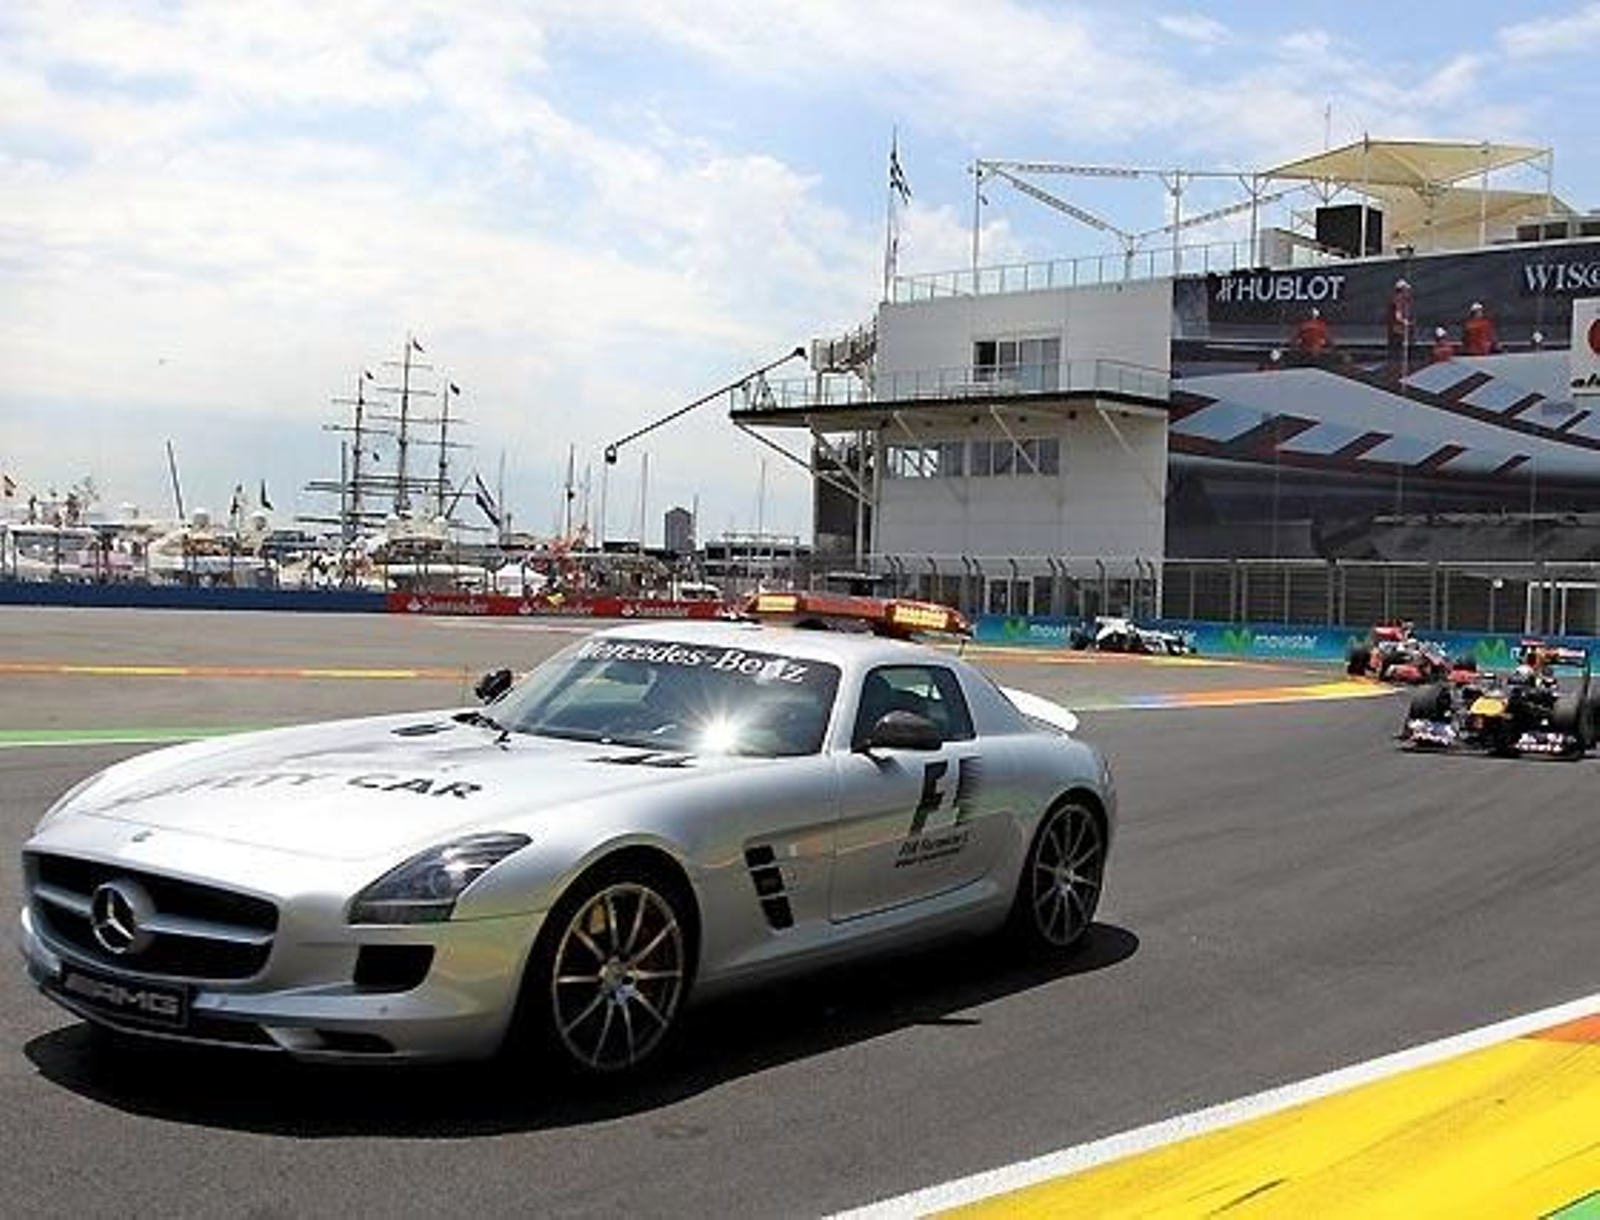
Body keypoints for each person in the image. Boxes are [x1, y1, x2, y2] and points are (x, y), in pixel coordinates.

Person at [1386, 278, 1414, 371]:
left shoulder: (1404, 299)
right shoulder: (1398, 299)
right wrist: (1405, 322)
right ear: (1402, 290)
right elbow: (1398, 315)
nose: (1408, 292)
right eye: (1406, 290)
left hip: (1400, 329)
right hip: (1398, 329)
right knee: (1398, 348)